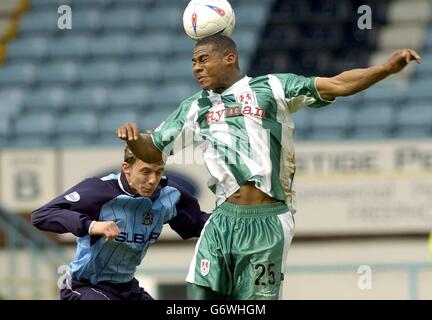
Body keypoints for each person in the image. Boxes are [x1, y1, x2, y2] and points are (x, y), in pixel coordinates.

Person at [117, 34, 422, 300]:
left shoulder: (273, 87)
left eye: (203, 60)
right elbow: (154, 149)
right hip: (223, 219)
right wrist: (134, 141)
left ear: (229, 57)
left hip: (270, 221)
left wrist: (385, 69)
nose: (196, 68)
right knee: (198, 293)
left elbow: (337, 85)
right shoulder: (195, 108)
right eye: (193, 62)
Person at [32, 145, 209, 300]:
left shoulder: (172, 195)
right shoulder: (98, 190)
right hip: (85, 286)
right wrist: (91, 226)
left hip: (127, 288)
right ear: (127, 168)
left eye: (159, 171)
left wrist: (232, 219)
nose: (153, 180)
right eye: (145, 171)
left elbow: (198, 224)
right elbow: (41, 216)